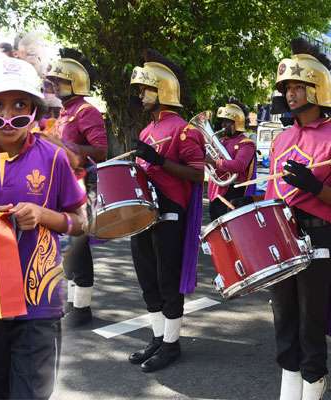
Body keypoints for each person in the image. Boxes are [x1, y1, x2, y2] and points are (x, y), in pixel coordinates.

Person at [0, 57, 87, 400]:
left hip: (38, 304)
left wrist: (43, 214)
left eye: (20, 105)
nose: (8, 116)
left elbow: (80, 222)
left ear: (35, 109)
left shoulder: (54, 159)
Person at [127, 49, 204, 372]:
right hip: (143, 215)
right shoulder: (147, 131)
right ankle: (158, 338)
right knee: (148, 280)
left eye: (146, 89)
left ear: (162, 90)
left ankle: (172, 344)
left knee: (167, 281)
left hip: (170, 214)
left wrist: (159, 161)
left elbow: (198, 173)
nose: (141, 95)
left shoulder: (184, 129)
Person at [264, 38, 331, 400]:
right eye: (287, 87)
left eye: (298, 86)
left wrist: (315, 188)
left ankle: (314, 387)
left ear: (317, 88)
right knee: (284, 323)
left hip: (318, 237)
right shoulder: (281, 138)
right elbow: (271, 194)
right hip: (280, 234)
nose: (290, 94)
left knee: (310, 326)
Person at [44, 51, 108, 327]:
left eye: (59, 81)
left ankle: (82, 308)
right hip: (62, 185)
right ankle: (72, 303)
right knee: (69, 249)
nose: (54, 86)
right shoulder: (66, 113)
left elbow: (101, 151)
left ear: (73, 83)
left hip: (80, 185)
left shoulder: (86, 111)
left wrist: (67, 148)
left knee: (79, 248)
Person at [206, 99, 256, 220]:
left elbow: (239, 165)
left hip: (234, 194)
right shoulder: (221, 141)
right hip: (217, 192)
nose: (223, 125)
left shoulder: (246, 144)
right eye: (223, 121)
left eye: (227, 122)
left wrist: (213, 162)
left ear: (236, 123)